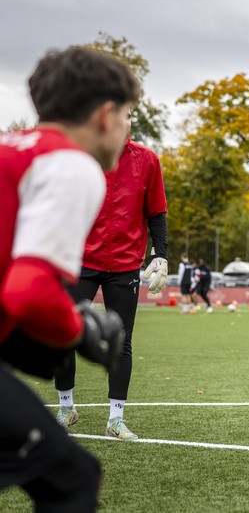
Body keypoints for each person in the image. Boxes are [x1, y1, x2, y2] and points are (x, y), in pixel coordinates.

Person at [0, 46, 137, 510]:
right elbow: (27, 292)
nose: (126, 129)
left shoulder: (9, 150)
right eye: (127, 115)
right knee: (72, 479)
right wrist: (80, 329)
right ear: (104, 115)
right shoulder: (71, 164)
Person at [53, 98, 169, 442]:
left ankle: (115, 419)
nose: (124, 122)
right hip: (81, 260)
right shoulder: (81, 157)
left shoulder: (148, 160)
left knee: (122, 343)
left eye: (129, 116)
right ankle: (65, 407)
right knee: (62, 332)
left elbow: (157, 213)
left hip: (124, 265)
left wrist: (160, 254)